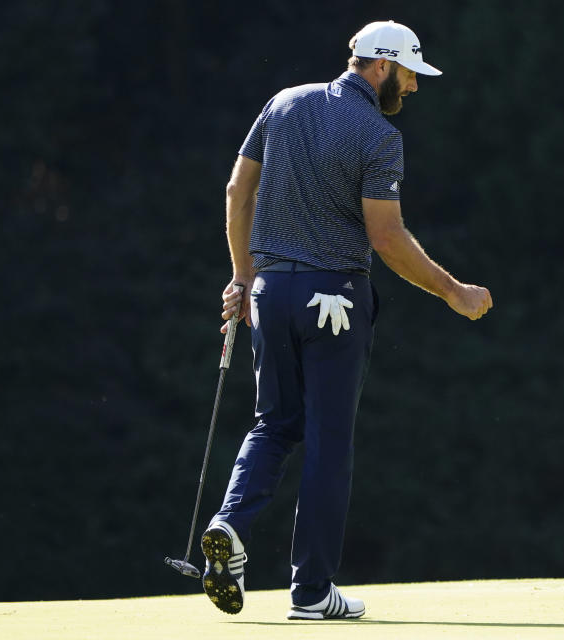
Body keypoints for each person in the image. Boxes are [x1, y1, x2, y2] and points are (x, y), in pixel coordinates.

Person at [199, 20, 493, 620]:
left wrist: (242, 276)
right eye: (410, 73)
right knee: (328, 443)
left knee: (273, 423)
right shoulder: (378, 136)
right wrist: (454, 291)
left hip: (272, 293)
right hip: (333, 299)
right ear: (381, 65)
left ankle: (229, 526)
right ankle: (310, 592)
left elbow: (237, 191)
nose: (412, 87)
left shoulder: (282, 103)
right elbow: (386, 237)